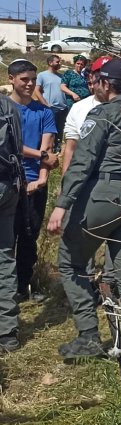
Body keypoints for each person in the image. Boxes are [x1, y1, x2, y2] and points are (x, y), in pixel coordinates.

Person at [46, 58, 121, 367]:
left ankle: (89, 335)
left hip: (104, 194)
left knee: (70, 262)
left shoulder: (103, 113)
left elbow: (83, 160)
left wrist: (62, 204)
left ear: (105, 84)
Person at [7, 60, 58, 303]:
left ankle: (23, 285)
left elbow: (47, 147)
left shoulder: (43, 112)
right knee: (8, 237)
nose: (29, 84)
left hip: (35, 182)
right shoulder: (5, 110)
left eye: (33, 80)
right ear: (11, 79)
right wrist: (41, 155)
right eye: (24, 79)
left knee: (29, 236)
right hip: (9, 182)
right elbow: (11, 146)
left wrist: (41, 179)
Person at [0, 94, 25, 353]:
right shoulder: (9, 106)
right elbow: (18, 147)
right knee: (5, 257)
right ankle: (7, 332)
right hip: (8, 187)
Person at [62, 57, 107, 171]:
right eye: (99, 76)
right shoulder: (78, 108)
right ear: (91, 77)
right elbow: (70, 148)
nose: (104, 81)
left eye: (109, 76)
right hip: (84, 172)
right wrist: (65, 179)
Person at [34, 55, 67, 151]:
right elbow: (37, 90)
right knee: (49, 132)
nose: (59, 64)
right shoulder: (42, 75)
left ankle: (57, 149)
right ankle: (47, 150)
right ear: (50, 63)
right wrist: (44, 103)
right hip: (50, 107)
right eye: (57, 62)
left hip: (63, 108)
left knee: (60, 130)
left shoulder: (62, 76)